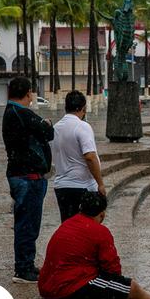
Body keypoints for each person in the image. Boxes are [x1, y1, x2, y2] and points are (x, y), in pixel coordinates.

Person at [2, 77, 54, 283]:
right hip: (27, 178)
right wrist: (47, 124)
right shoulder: (22, 113)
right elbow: (48, 133)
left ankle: (27, 264)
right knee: (27, 224)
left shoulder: (12, 112)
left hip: (22, 175)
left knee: (27, 223)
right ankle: (23, 269)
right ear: (28, 94)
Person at [51, 91, 105, 222]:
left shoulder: (55, 128)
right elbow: (90, 157)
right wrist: (100, 184)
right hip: (82, 187)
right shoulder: (82, 127)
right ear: (83, 108)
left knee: (68, 225)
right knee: (86, 226)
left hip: (62, 187)